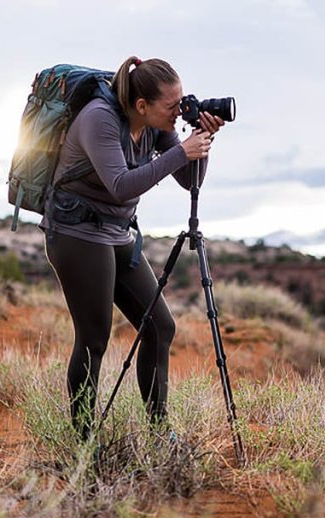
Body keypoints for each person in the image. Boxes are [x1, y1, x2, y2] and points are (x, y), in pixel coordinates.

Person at [42, 56, 224, 440]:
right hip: (77, 233)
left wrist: (201, 141)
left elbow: (189, 178)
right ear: (141, 105)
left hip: (118, 232)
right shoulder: (99, 119)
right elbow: (121, 185)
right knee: (94, 337)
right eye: (172, 106)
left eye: (182, 103)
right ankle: (83, 440)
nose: (181, 110)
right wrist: (181, 150)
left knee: (160, 327)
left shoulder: (158, 126)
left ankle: (160, 434)